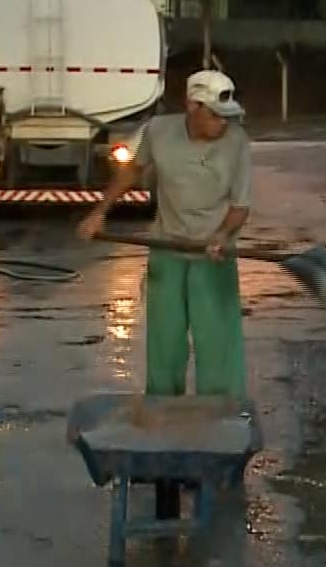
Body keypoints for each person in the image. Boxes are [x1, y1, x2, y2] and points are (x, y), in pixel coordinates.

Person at [79, 70, 253, 517]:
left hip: (212, 256)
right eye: (217, 116)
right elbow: (130, 169)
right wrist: (101, 212)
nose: (224, 125)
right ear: (193, 109)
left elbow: (240, 206)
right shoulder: (156, 131)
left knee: (218, 359)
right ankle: (163, 458)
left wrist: (221, 235)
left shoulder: (237, 143)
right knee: (165, 355)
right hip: (167, 252)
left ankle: (221, 458)